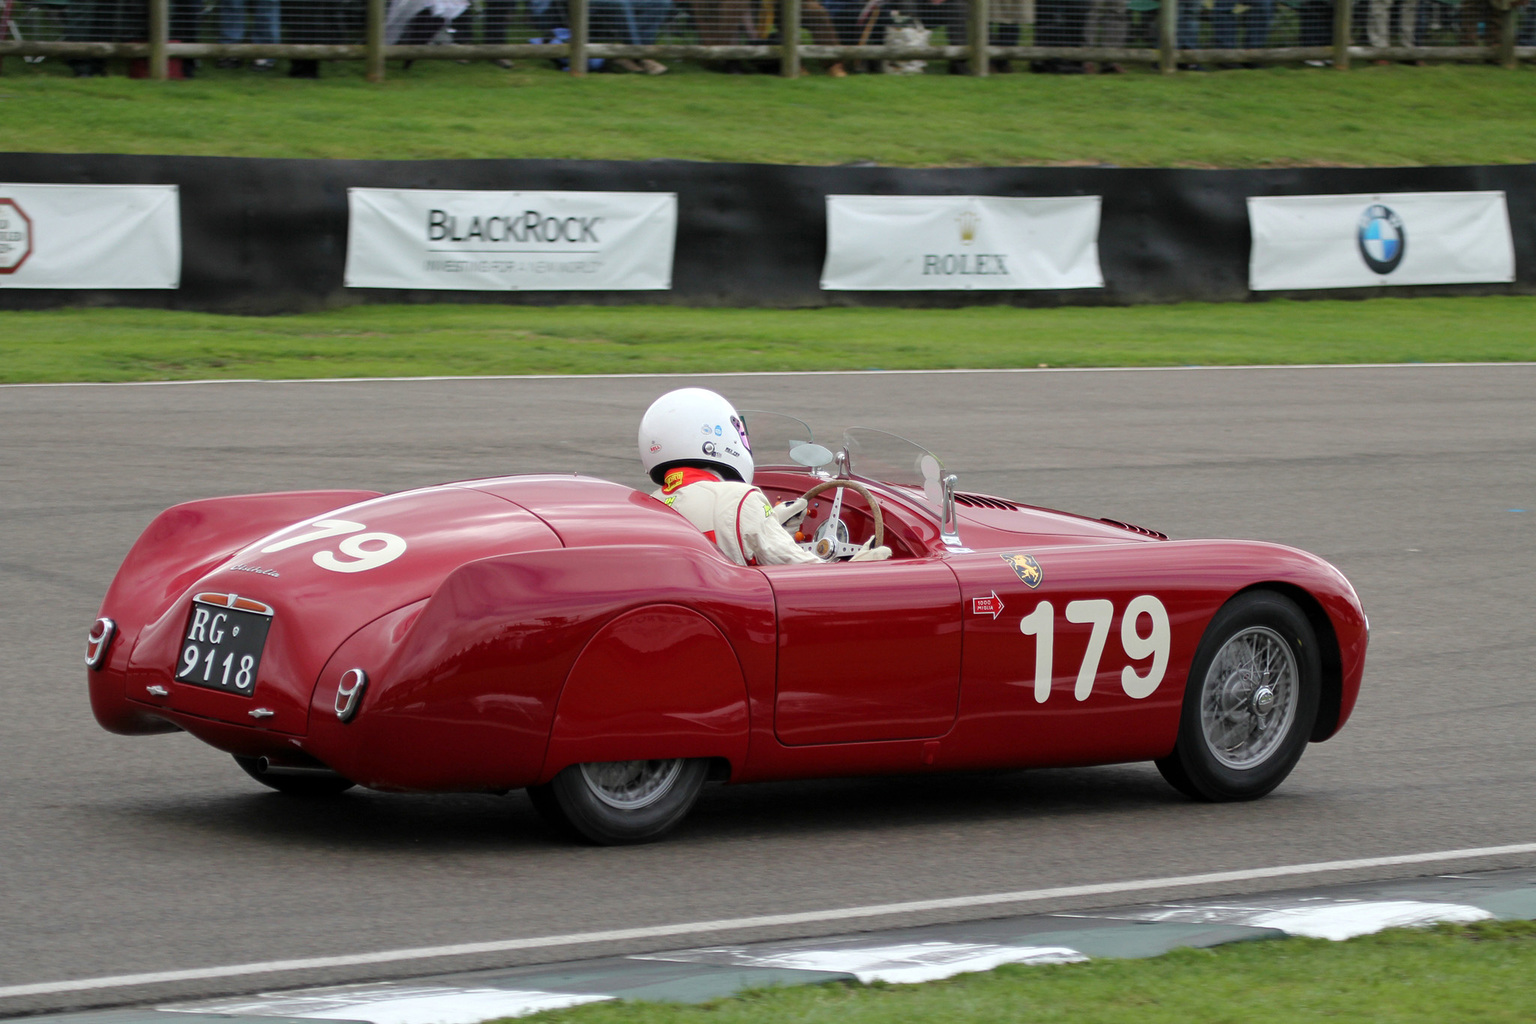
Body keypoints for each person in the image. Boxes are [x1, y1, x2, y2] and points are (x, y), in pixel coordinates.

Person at [639, 388, 891, 567]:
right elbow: (808, 574)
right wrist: (858, 565)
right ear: (715, 439)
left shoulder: (650, 503)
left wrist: (770, 524)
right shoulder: (737, 500)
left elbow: (724, 536)